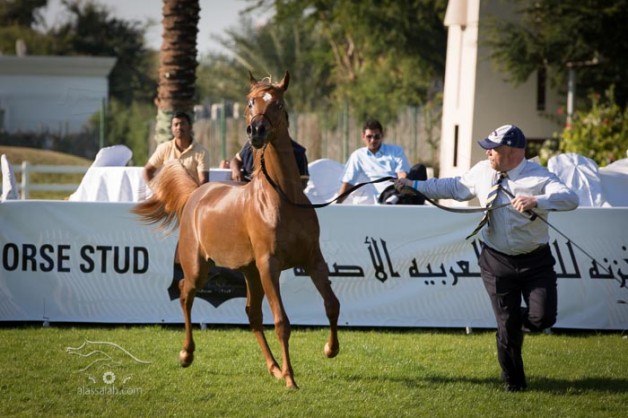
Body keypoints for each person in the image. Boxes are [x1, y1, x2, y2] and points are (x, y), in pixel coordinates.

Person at [395, 124, 579, 392]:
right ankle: (514, 384)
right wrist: (413, 185)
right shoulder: (482, 171)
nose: (487, 153)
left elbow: (571, 198)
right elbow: (452, 186)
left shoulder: (539, 176)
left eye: (492, 149)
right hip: (496, 261)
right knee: (506, 325)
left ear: (511, 151)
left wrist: (536, 201)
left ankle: (512, 322)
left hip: (536, 262)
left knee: (542, 318)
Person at [336, 118, 427, 204]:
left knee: (420, 168)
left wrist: (402, 184)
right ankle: (395, 198)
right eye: (369, 137)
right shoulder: (358, 156)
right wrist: (336, 205)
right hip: (386, 195)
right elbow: (348, 183)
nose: (373, 140)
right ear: (363, 136)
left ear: (382, 136)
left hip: (400, 188)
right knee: (394, 193)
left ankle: (399, 197)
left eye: (376, 137)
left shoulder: (395, 151)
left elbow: (402, 173)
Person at [143, 111, 210, 185]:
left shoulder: (201, 152)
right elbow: (147, 170)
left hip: (192, 192)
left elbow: (203, 181)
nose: (179, 127)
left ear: (190, 127)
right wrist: (156, 189)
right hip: (168, 192)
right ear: (171, 128)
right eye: (176, 124)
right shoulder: (164, 148)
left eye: (182, 124)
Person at [230, 135, 310, 189]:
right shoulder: (253, 144)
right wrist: (235, 170)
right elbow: (236, 160)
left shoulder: (298, 152)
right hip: (246, 192)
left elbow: (303, 182)